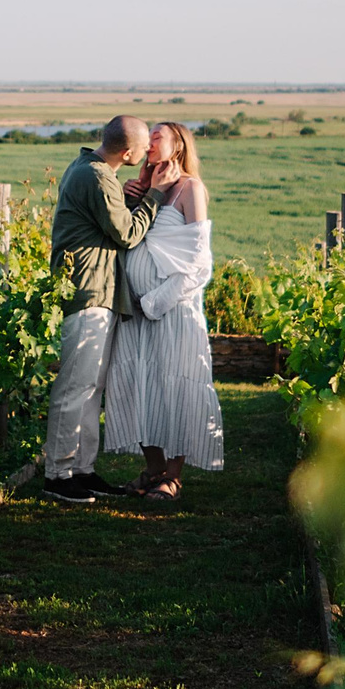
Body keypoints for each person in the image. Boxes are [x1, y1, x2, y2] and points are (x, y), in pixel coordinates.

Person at [41, 115, 160, 504]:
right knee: (75, 386)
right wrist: (154, 196)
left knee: (91, 388)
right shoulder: (95, 176)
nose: (146, 154)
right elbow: (126, 233)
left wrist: (128, 197)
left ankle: (82, 470)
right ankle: (58, 475)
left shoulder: (91, 169)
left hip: (99, 290)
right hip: (88, 291)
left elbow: (107, 219)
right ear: (127, 152)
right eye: (143, 148)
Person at [105, 121, 225, 501]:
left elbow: (198, 262)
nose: (148, 143)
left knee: (175, 385)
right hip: (133, 311)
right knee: (138, 387)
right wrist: (130, 198)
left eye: (157, 137)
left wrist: (155, 301)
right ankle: (152, 470)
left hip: (171, 309)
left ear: (177, 148)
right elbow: (125, 238)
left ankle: (172, 477)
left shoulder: (191, 189)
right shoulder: (142, 190)